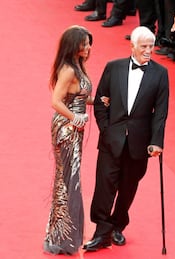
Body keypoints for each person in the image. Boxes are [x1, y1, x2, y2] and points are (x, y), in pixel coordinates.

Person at [83, 26, 169, 252]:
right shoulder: (114, 67)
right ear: (132, 46)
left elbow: (160, 112)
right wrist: (106, 129)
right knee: (104, 186)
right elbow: (101, 103)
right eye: (144, 46)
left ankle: (117, 226)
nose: (148, 50)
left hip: (140, 143)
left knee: (128, 187)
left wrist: (157, 141)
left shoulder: (161, 74)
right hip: (112, 139)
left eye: (151, 46)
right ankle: (101, 231)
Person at [43, 25, 93, 255]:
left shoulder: (77, 65)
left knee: (68, 179)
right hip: (66, 129)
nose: (88, 47)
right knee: (67, 181)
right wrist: (76, 118)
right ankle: (62, 237)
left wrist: (96, 101)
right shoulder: (69, 70)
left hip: (74, 127)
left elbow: (78, 96)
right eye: (84, 43)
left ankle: (64, 234)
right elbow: (56, 101)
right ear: (74, 45)